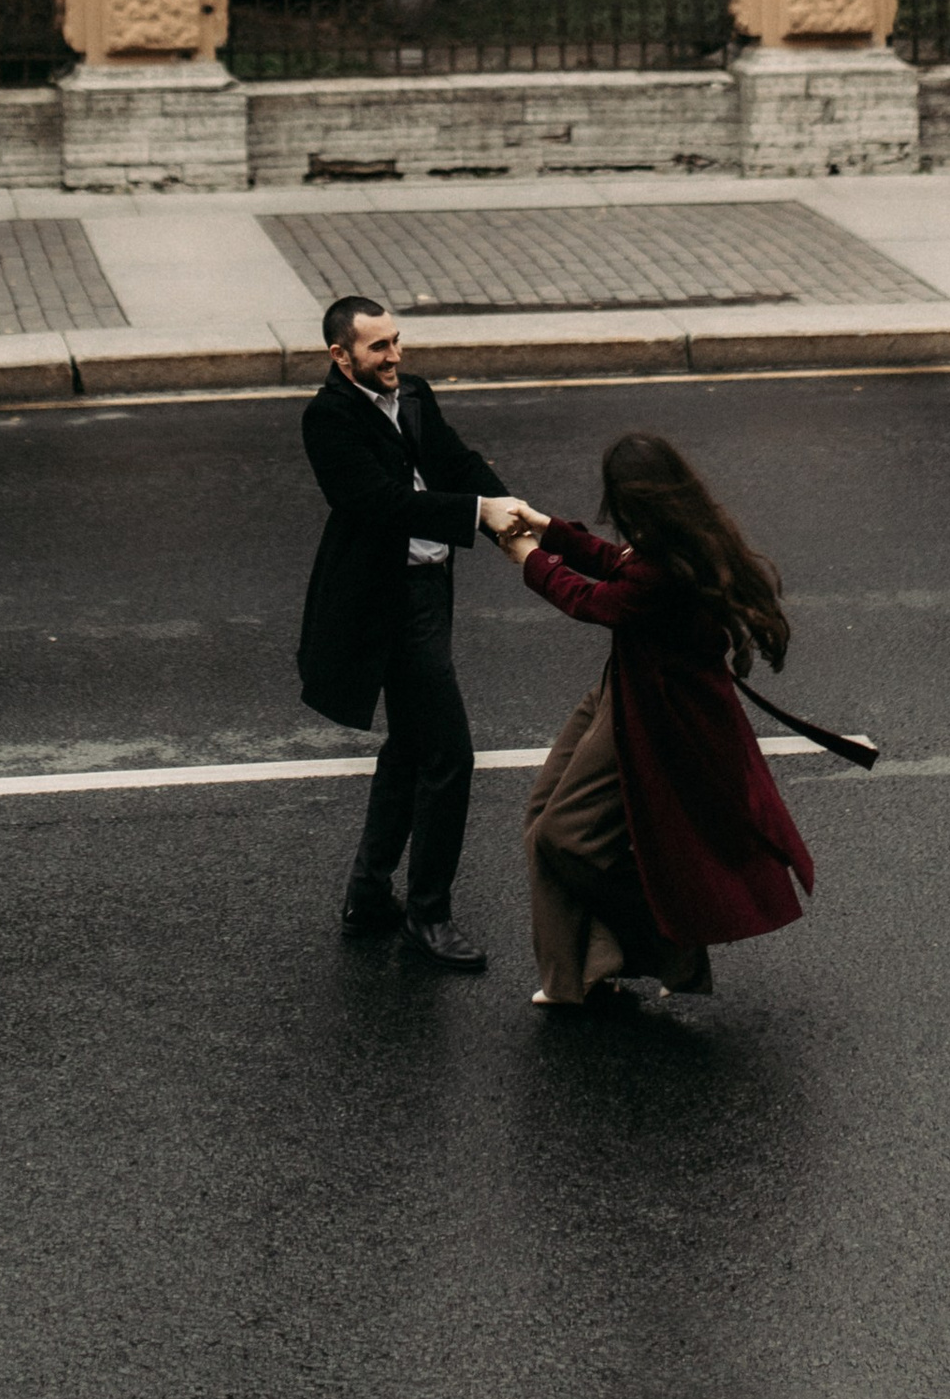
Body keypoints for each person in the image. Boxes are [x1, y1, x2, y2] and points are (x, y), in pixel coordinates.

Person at [495, 430, 815, 1011]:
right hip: (626, 685)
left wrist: (528, 558)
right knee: (543, 815)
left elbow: (594, 601)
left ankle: (671, 945)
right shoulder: (677, 538)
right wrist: (547, 529)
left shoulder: (664, 569)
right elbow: (617, 563)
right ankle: (577, 977)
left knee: (564, 836)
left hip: (655, 714)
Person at [297, 294, 533, 973]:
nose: (395, 356)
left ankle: (371, 892)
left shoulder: (416, 394)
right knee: (448, 754)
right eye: (378, 348)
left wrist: (509, 509)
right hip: (383, 603)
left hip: (431, 592)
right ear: (340, 356)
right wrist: (478, 511)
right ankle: (428, 916)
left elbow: (457, 463)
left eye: (397, 341)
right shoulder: (328, 418)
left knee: (411, 744)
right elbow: (379, 503)